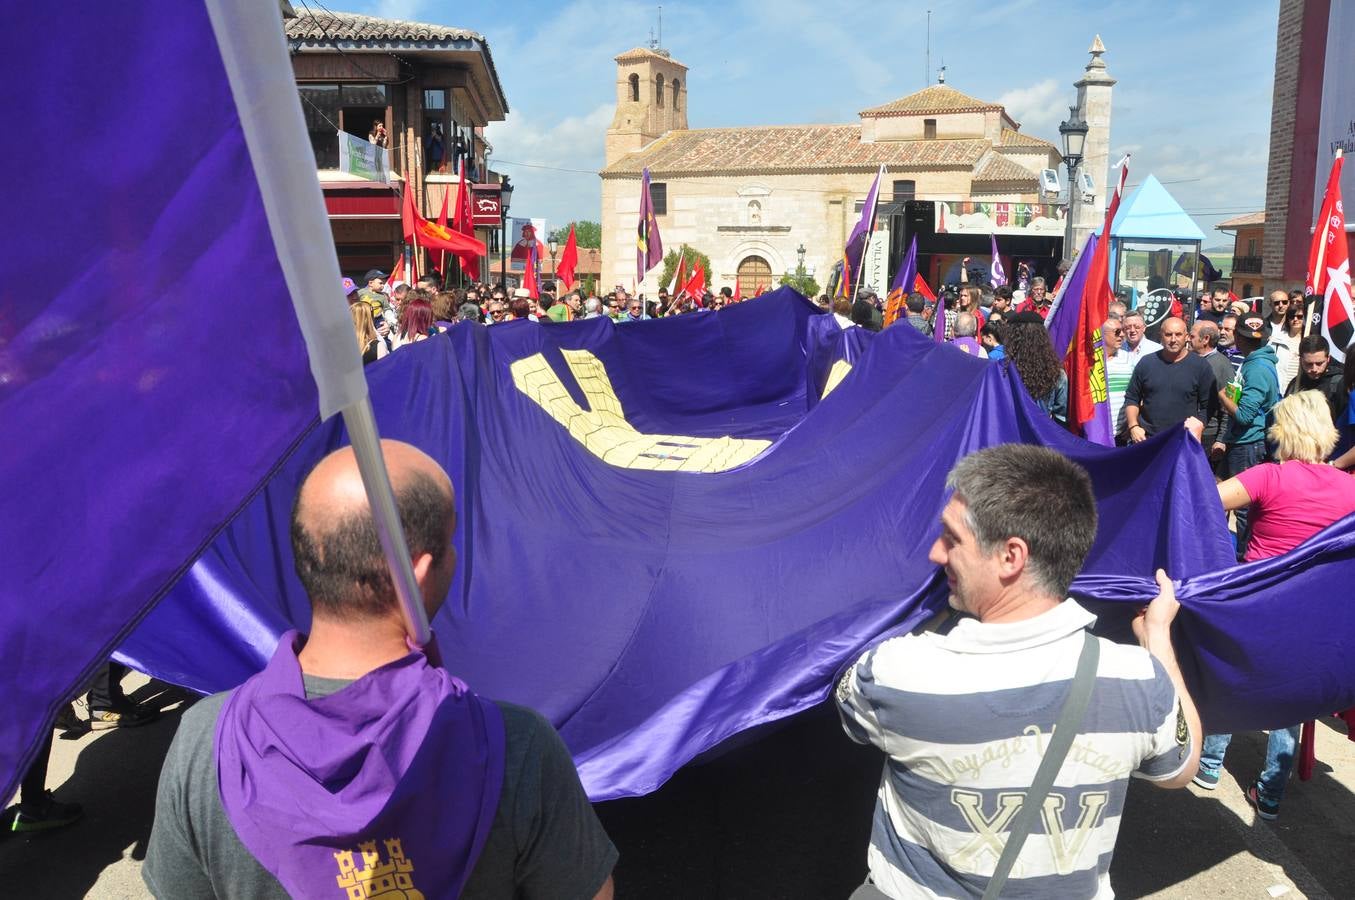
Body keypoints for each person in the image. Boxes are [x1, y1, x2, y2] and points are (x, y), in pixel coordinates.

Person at [143, 441, 617, 898]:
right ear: (420, 573)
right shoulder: (517, 747)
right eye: (451, 541)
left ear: (307, 555)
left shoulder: (205, 743)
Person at [837, 444, 1200, 899]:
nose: (935, 553)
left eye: (952, 538)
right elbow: (1180, 770)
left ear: (1011, 557)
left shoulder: (899, 673)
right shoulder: (1140, 678)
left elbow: (850, 710)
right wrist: (1158, 638)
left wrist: (930, 612)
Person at [1196, 391, 1355, 819]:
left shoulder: (1270, 476)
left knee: (1232, 676)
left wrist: (1188, 450)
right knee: (1291, 697)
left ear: (1283, 431)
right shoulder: (1351, 488)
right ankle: (1269, 792)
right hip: (1312, 613)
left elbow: (1202, 499)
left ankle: (1209, 764)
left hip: (1257, 602)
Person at [1218, 314, 1281, 557]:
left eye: (1254, 340)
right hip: (1242, 440)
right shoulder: (1255, 362)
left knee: (1243, 506)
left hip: (1249, 442)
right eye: (1249, 338)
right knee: (1222, 492)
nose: (1250, 343)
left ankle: (1244, 557)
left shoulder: (1257, 368)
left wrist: (1223, 396)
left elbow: (1244, 415)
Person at [1123, 317, 1214, 442]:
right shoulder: (1146, 363)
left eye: (1178, 334)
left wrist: (1198, 427)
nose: (1173, 339)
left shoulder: (1200, 366)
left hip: (1183, 439)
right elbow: (1132, 398)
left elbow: (1208, 406)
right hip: (1148, 439)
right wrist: (1133, 426)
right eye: (1168, 334)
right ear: (1161, 336)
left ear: (1187, 337)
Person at [1003, 312, 1067, 423]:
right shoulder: (1056, 374)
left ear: (1012, 339)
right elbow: (1061, 415)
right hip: (1042, 431)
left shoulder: (1002, 371)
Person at [1190, 320, 1234, 468]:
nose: (1188, 339)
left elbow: (1229, 405)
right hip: (1189, 430)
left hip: (1208, 436)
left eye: (1192, 336)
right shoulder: (1191, 360)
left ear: (1205, 339)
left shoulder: (1222, 366)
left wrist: (1221, 439)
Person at [1285, 335, 1347, 424]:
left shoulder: (1340, 384)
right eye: (1308, 364)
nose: (1314, 369)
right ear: (1300, 360)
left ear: (1328, 359)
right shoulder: (1295, 384)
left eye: (1319, 363)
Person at [1102, 317, 1135, 442]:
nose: (1122, 335)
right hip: (1093, 432)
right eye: (1117, 332)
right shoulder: (1088, 360)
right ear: (1102, 333)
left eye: (1122, 331)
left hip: (1120, 434)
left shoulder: (1129, 359)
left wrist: (1131, 423)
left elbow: (1138, 394)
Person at [1270, 303, 1305, 392]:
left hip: (1300, 389)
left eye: (1299, 317)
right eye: (1292, 317)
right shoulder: (1277, 339)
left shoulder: (1309, 340)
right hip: (1280, 390)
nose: (1295, 319)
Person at [351, 300, 386, 365]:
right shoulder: (377, 347)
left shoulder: (346, 348)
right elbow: (385, 369)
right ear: (369, 319)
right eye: (371, 314)